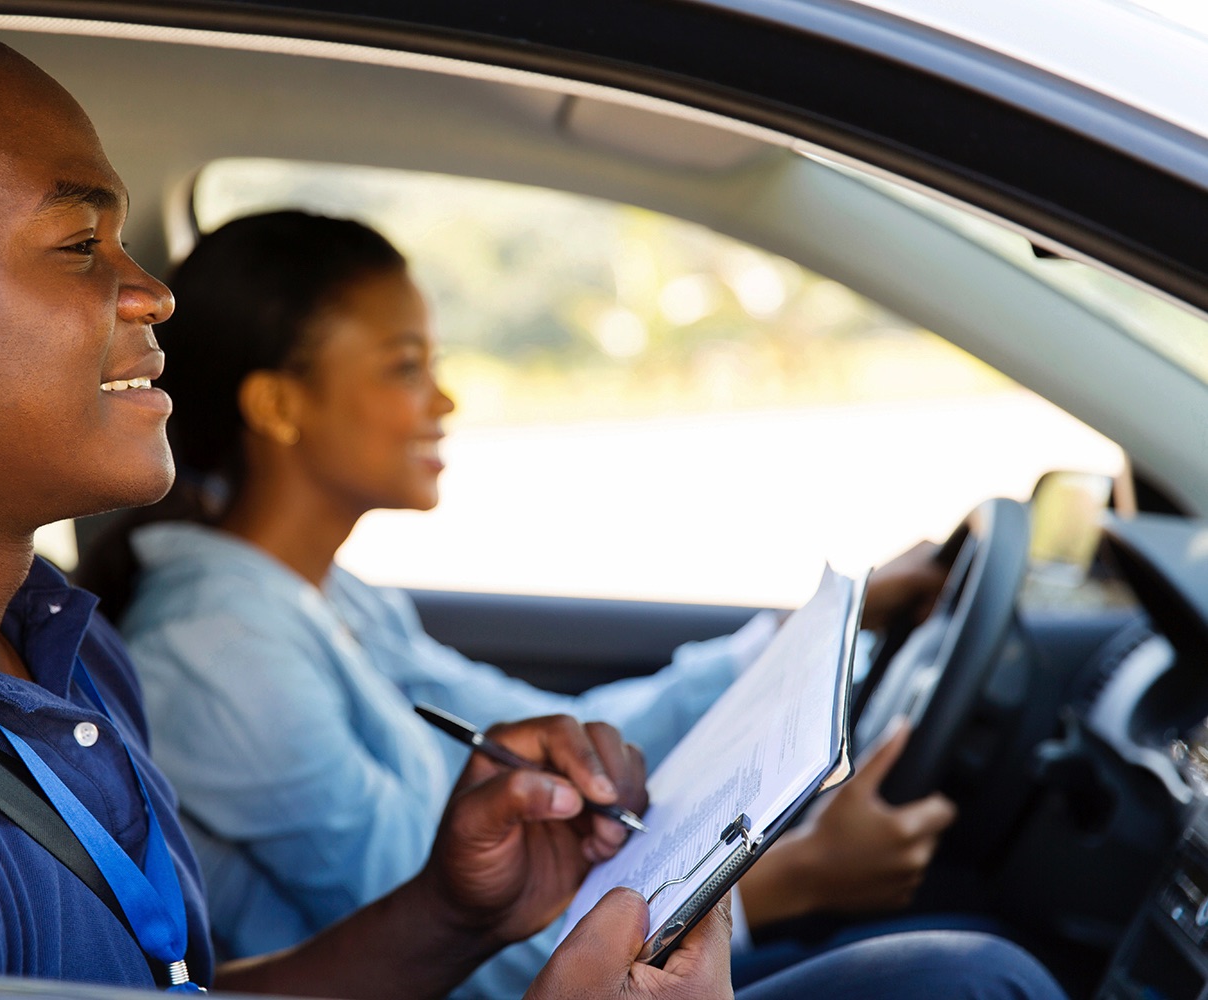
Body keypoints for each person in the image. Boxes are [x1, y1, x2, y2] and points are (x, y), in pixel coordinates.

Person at [0, 21, 1062, 1000]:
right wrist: (794, 882)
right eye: (81, 244)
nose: (150, 294)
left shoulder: (56, 650)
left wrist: (448, 913)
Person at [76, 210, 965, 994]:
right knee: (969, 975)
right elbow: (453, 941)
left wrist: (790, 641)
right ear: (277, 404)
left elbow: (564, 725)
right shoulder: (217, 650)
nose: (445, 398)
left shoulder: (324, 597)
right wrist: (797, 878)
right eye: (405, 366)